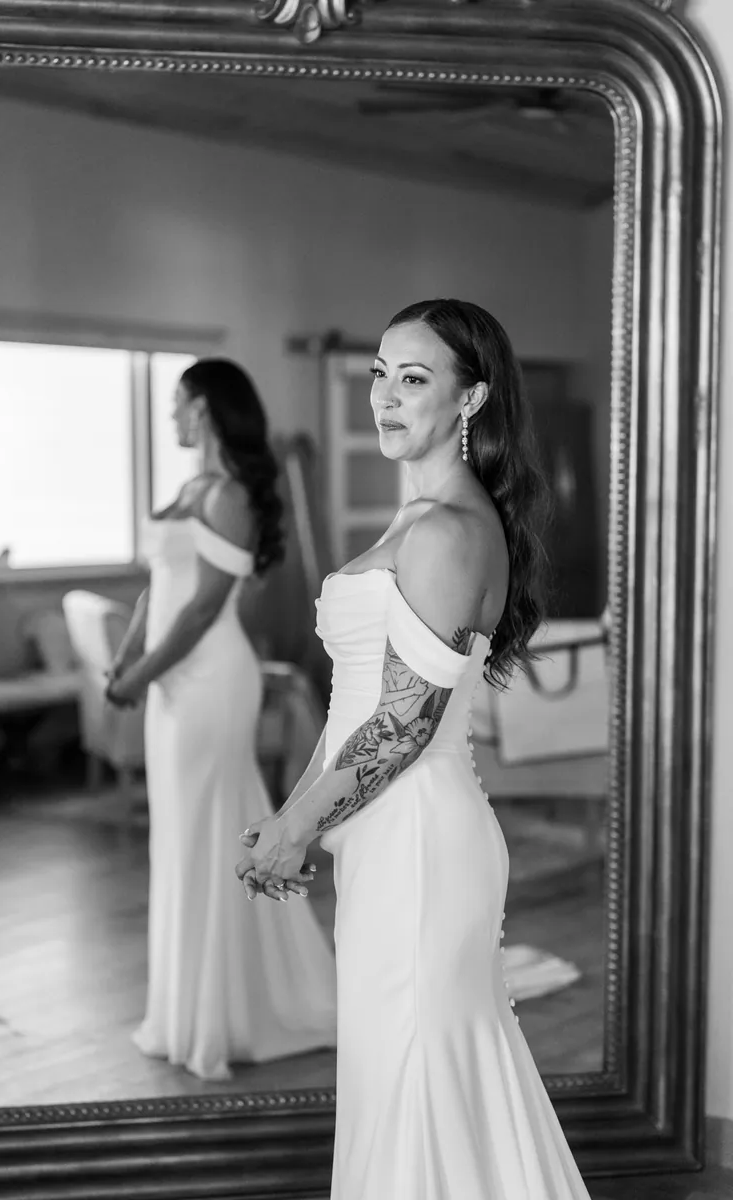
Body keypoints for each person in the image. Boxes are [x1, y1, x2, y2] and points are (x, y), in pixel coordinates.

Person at [236, 301, 592, 1198]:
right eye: (380, 375)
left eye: (415, 378)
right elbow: (355, 706)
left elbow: (404, 722)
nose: (386, 398)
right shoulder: (423, 518)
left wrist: (299, 828)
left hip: (423, 843)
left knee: (416, 1068)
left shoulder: (447, 531)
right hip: (384, 834)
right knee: (400, 1067)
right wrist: (294, 816)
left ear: (471, 399)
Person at [107, 358, 336, 1081]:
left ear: (204, 407)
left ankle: (230, 1014)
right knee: (180, 837)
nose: (171, 417)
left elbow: (205, 607)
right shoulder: (190, 489)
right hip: (171, 685)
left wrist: (143, 674)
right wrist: (127, 655)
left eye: (178, 405)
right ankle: (186, 1009)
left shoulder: (232, 493)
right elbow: (160, 589)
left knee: (211, 832)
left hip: (210, 682)